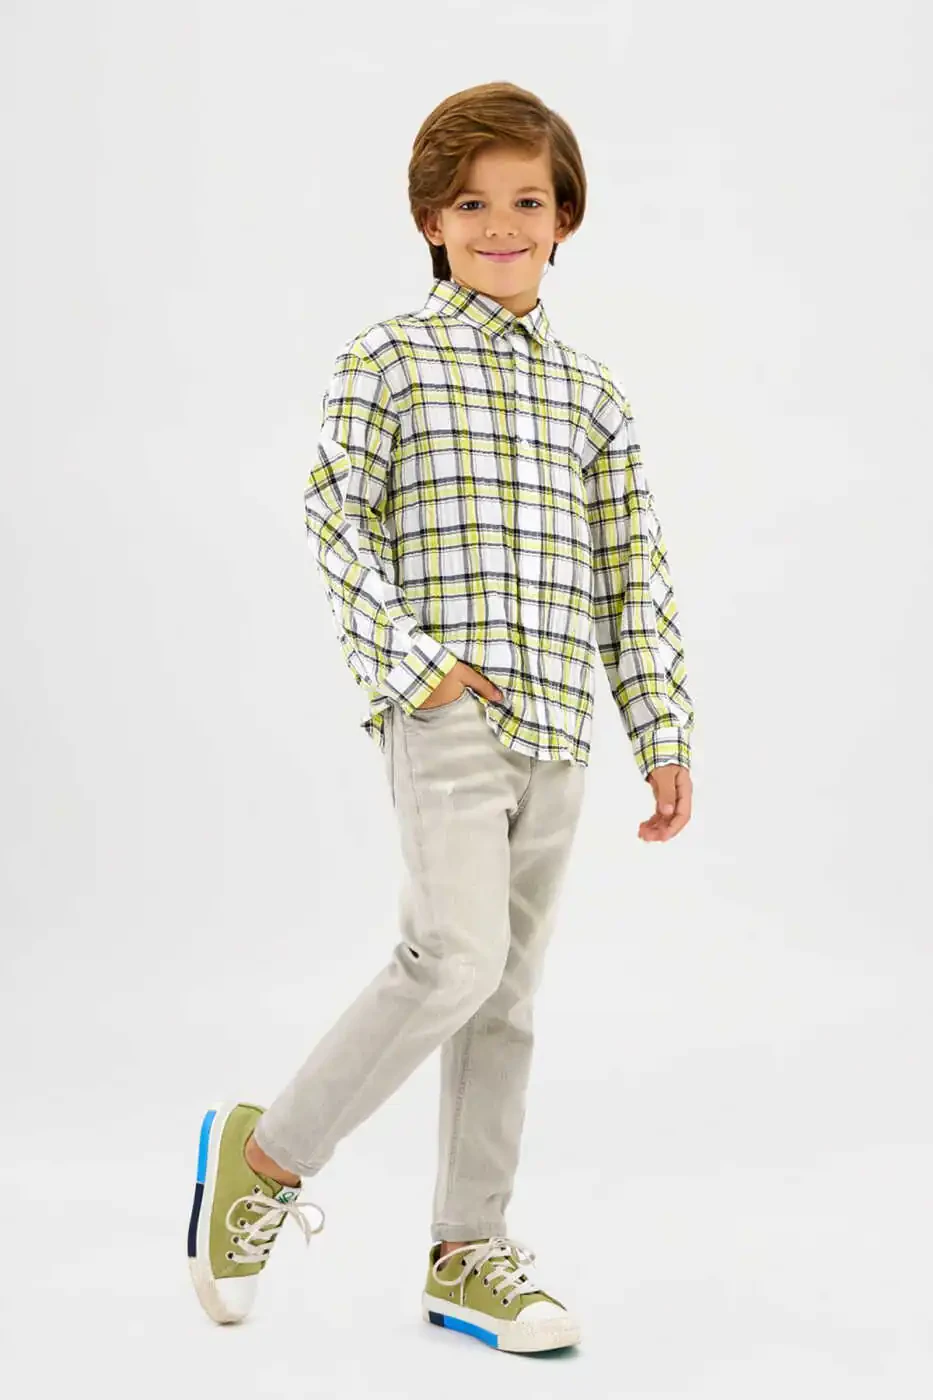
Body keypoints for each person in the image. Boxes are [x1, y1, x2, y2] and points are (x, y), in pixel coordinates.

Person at [187, 80, 695, 1354]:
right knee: (451, 959)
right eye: (471, 204)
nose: (501, 224)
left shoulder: (593, 394)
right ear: (431, 220)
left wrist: (661, 730)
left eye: (527, 200)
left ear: (566, 218)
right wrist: (418, 668)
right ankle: (267, 1154)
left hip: (562, 729)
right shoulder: (390, 358)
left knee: (506, 994)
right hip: (447, 710)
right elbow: (336, 516)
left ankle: (470, 1249)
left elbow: (631, 573)